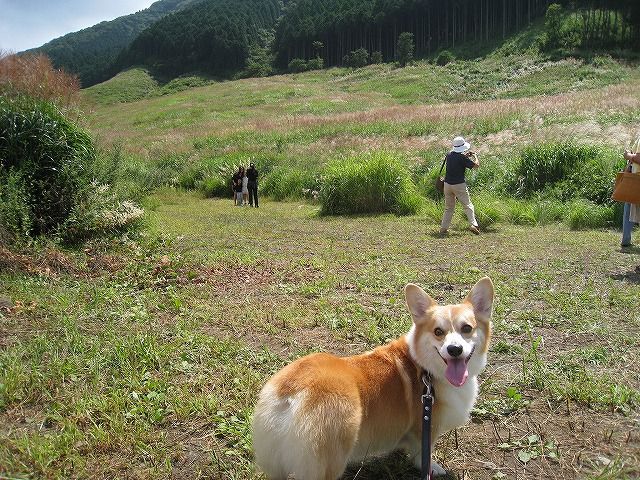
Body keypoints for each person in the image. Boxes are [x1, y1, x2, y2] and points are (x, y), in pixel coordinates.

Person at [440, 136, 480, 235]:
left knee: (449, 208)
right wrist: (475, 156)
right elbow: (476, 166)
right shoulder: (462, 158)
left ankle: (443, 228)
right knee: (468, 205)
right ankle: (473, 225)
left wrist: (466, 156)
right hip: (459, 185)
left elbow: (457, 160)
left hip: (447, 184)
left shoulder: (449, 155)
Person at [621, 146, 640, 247]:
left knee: (629, 207)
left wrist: (628, 156)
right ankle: (625, 239)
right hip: (635, 177)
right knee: (628, 206)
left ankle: (626, 239)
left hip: (637, 179)